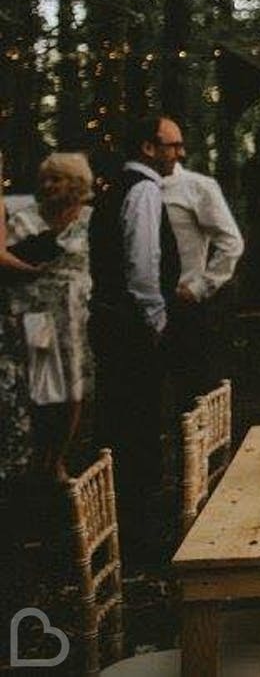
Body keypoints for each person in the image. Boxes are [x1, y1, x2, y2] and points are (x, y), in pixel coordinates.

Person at [88, 113, 185, 559]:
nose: (178, 153)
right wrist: (157, 321)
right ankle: (140, 536)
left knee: (120, 423)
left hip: (111, 322)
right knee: (140, 426)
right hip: (131, 327)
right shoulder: (143, 190)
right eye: (172, 145)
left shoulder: (114, 188)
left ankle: (121, 526)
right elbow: (144, 264)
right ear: (148, 147)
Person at [2, 153, 95, 484]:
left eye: (56, 179)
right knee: (44, 392)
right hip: (35, 318)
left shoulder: (90, 219)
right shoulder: (25, 219)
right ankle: (40, 464)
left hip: (75, 317)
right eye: (45, 179)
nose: (48, 185)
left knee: (74, 392)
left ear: (76, 183)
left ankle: (58, 460)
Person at [160, 145, 246, 401]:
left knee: (191, 393)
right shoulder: (134, 189)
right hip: (142, 305)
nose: (180, 151)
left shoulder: (197, 187)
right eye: (172, 145)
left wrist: (200, 287)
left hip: (184, 305)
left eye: (179, 146)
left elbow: (231, 242)